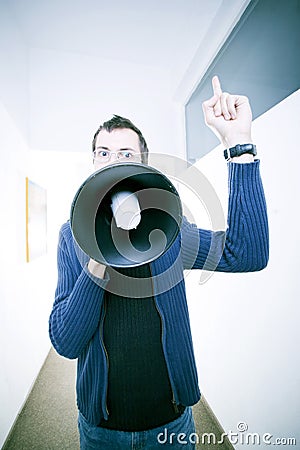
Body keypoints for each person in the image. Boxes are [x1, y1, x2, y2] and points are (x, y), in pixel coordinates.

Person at [49, 76, 269, 449]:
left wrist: (239, 146)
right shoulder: (72, 237)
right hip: (101, 430)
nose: (111, 161)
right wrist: (97, 258)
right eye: (103, 153)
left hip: (171, 424)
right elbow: (66, 343)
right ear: (92, 162)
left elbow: (247, 253)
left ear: (142, 167)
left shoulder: (170, 232)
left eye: (125, 154)